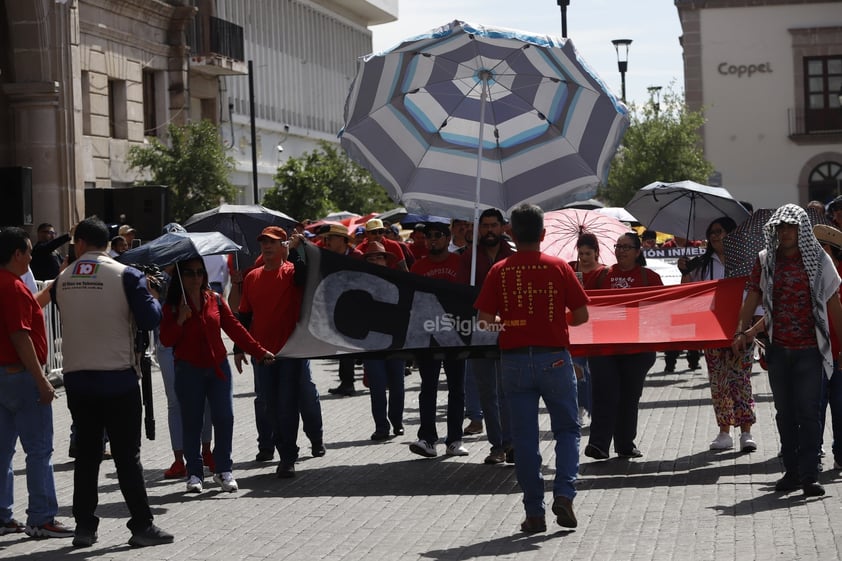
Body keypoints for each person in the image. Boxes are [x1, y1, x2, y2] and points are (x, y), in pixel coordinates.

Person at [51, 217, 173, 548]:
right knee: (126, 457)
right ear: (107, 244)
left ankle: (84, 528)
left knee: (87, 456)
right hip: (117, 377)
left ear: (79, 244)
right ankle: (142, 525)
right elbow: (149, 319)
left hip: (77, 378)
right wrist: (154, 294)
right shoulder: (127, 275)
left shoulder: (63, 278)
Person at [475, 203, 589, 533]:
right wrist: (554, 320)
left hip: (512, 361)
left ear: (510, 232)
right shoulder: (558, 267)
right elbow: (581, 316)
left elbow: (484, 322)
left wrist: (508, 323)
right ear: (542, 234)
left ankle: (534, 512)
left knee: (524, 439)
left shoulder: (499, 270)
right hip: (554, 358)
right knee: (567, 430)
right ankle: (565, 493)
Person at [733, 204, 842, 497]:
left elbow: (833, 302)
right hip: (778, 349)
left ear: (802, 228)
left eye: (790, 226)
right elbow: (753, 295)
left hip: (811, 349)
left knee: (809, 412)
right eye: (780, 227)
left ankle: (809, 475)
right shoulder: (765, 260)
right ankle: (791, 472)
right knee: (785, 413)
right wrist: (740, 331)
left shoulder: (819, 259)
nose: (785, 232)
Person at [160, 258, 274, 493]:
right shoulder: (172, 306)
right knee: (192, 422)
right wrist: (180, 319)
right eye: (190, 273)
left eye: (200, 272)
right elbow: (166, 340)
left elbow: (235, 328)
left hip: (217, 368)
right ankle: (194, 474)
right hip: (188, 369)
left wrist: (259, 352)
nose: (196, 277)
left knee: (224, 418)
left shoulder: (214, 299)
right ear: (181, 277)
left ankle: (223, 470)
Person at [0, 227, 73, 539]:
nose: (32, 256)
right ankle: (41, 518)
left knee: (3, 451)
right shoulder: (13, 287)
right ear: (17, 254)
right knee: (39, 450)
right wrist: (40, 378)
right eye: (29, 251)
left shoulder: (10, 285)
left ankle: (3, 516)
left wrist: (55, 285)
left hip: (4, 378)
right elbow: (20, 334)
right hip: (21, 377)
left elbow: (30, 308)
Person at [234, 226, 325, 478]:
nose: (267, 245)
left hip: (290, 352)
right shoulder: (252, 277)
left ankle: (288, 456)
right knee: (270, 406)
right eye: (263, 241)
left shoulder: (292, 272)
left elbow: (307, 276)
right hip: (262, 354)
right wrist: (238, 346)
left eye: (273, 242)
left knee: (287, 404)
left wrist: (297, 250)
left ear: (283, 245)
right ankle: (281, 447)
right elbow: (245, 314)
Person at [680, 217, 758, 452]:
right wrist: (685, 271)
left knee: (740, 380)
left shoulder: (747, 261)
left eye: (720, 231)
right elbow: (687, 293)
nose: (715, 236)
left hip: (741, 329)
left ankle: (746, 431)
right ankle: (724, 432)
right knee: (718, 382)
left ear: (731, 234)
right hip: (712, 330)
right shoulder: (702, 265)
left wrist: (750, 329)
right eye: (711, 232)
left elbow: (755, 293)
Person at [585, 232, 663, 460]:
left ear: (638, 252)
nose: (621, 251)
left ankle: (625, 444)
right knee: (604, 395)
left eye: (627, 247)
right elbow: (582, 299)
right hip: (603, 349)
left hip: (637, 350)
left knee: (629, 397)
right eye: (618, 246)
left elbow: (660, 310)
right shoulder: (601, 275)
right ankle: (598, 444)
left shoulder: (650, 277)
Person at [458, 208, 514, 465]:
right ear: (479, 229)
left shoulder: (513, 256)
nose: (490, 230)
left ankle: (512, 442)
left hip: (509, 332)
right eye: (485, 226)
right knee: (487, 393)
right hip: (479, 333)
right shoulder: (468, 259)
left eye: (494, 225)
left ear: (502, 228)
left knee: (508, 391)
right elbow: (458, 296)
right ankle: (497, 445)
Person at [408, 222, 467, 458]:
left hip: (456, 336)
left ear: (447, 238)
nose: (432, 240)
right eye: (428, 236)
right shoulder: (419, 267)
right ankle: (427, 439)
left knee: (457, 389)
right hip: (427, 336)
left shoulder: (460, 264)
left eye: (437, 236)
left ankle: (454, 440)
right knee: (428, 388)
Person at [360, 242, 406, 440]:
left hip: (396, 342)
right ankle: (381, 426)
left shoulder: (399, 281)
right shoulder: (360, 283)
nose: (375, 261)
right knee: (377, 387)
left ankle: (397, 421)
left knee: (397, 385)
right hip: (371, 343)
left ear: (386, 260)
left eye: (378, 257)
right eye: (370, 258)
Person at [567, 232, 609, 426]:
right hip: (575, 328)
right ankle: (579, 408)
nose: (583, 258)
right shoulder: (570, 269)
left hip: (598, 328)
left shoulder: (604, 272)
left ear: (596, 252)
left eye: (588, 253)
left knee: (594, 372)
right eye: (581, 253)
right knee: (576, 369)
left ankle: (595, 410)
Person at [319, 223, 362, 397]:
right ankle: (346, 381)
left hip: (355, 306)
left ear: (343, 240)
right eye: (327, 238)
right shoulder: (327, 256)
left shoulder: (357, 256)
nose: (327, 241)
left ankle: (349, 382)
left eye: (331, 238)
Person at [814, 224, 842, 470]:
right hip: (815, 352)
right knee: (815, 407)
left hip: (840, 351)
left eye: (824, 247)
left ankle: (840, 455)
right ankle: (814, 454)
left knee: (841, 407)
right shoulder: (807, 275)